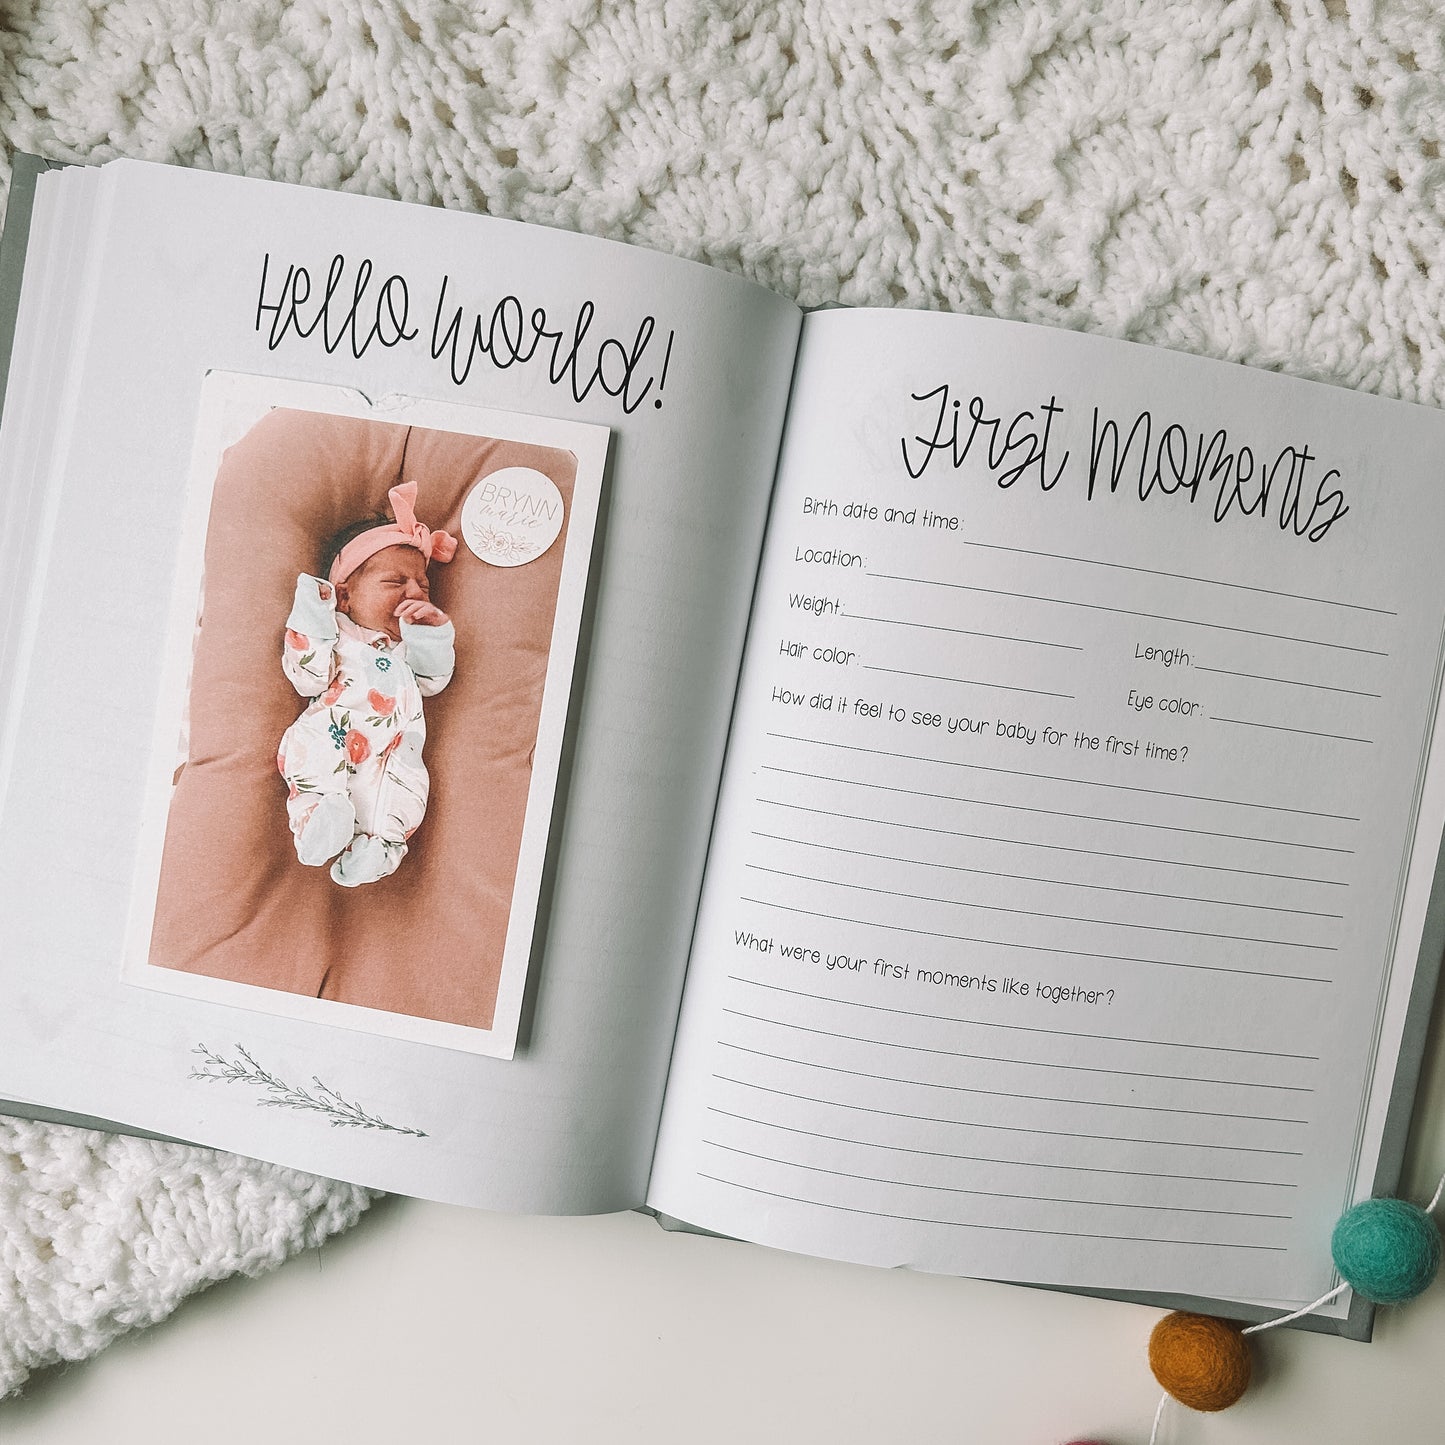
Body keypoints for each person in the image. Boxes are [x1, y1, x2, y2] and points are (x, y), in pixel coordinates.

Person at [276, 481, 457, 887]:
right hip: (335, 732)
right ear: (345, 597)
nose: (414, 591)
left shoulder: (406, 649)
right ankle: (316, 826)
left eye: (423, 586)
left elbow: (433, 681)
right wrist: (311, 612)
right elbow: (307, 676)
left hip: (389, 754)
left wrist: (431, 633)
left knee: (406, 792)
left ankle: (378, 851)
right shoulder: (337, 633)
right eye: (395, 583)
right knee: (315, 759)